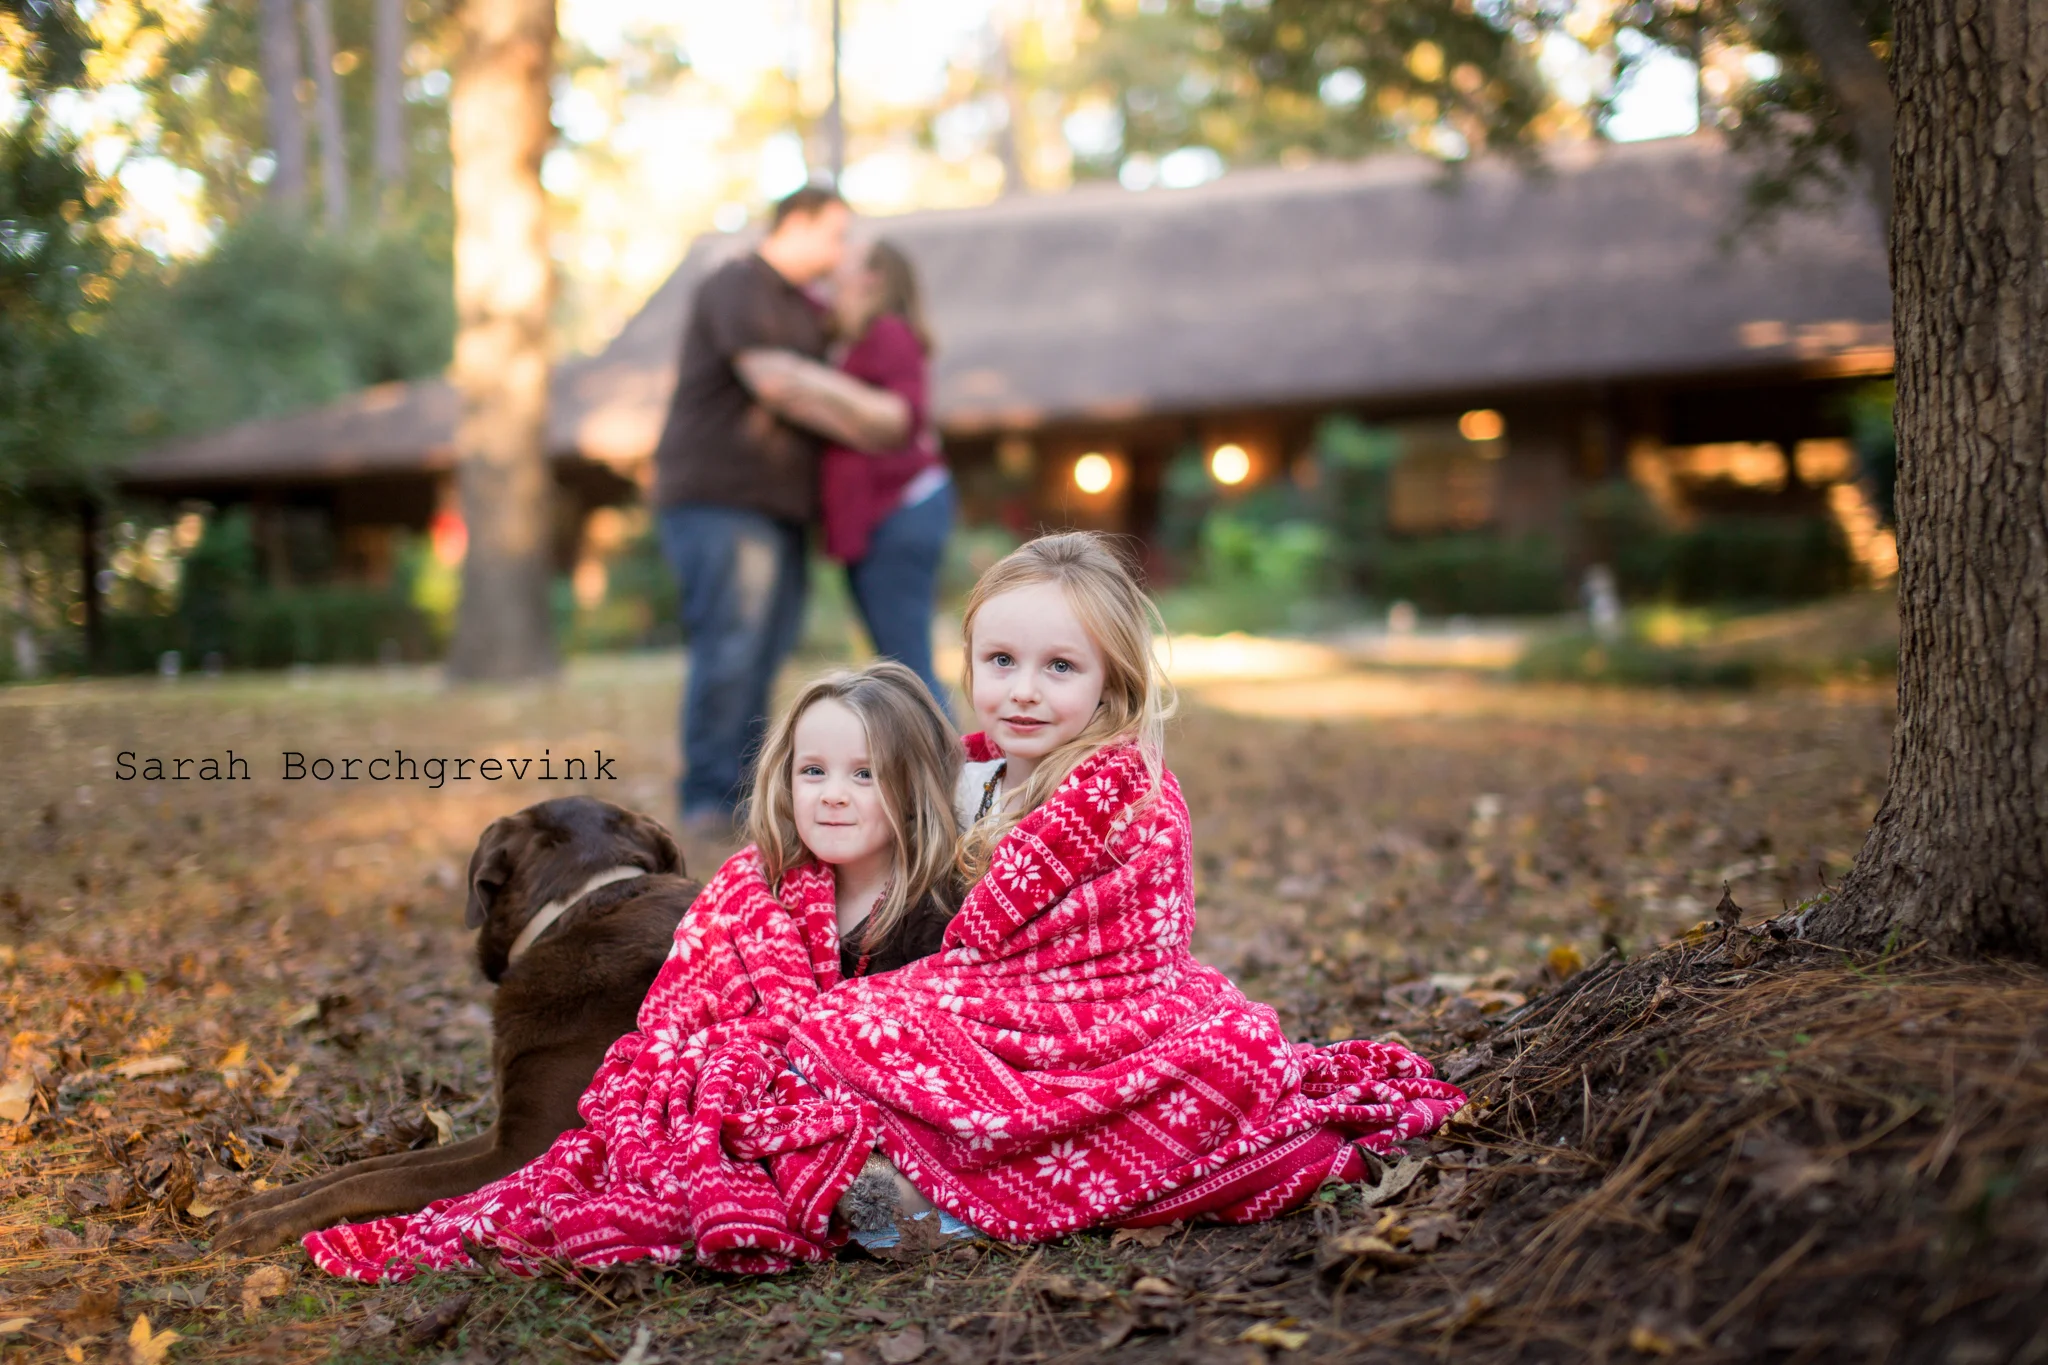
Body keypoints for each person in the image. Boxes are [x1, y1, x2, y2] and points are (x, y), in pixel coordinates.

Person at [789, 532, 1467, 1244]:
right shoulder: (959, 779)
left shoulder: (1126, 800)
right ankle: (917, 1168)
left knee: (841, 1029)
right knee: (830, 1026)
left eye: (1059, 666)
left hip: (1093, 1023)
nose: (1023, 689)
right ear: (969, 665)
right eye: (1000, 661)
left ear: (1109, 679)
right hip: (976, 1016)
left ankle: (952, 1202)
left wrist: (927, 1000)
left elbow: (1117, 951)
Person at [302, 660, 966, 1280]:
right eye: (813, 771)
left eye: (865, 774)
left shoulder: (938, 913)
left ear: (913, 789)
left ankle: (879, 1203)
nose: (833, 796)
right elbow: (681, 1018)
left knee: (867, 1190)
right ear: (784, 779)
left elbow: (931, 1050)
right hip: (730, 1107)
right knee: (618, 1154)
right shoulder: (753, 893)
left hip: (843, 1120)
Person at [652, 184, 848, 830]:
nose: (841, 251)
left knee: (767, 651)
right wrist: (873, 418)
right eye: (834, 234)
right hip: (718, 498)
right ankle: (706, 795)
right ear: (795, 224)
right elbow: (774, 382)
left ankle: (743, 792)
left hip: (782, 507)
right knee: (730, 647)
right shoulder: (736, 282)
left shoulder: (807, 307)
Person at [736, 239, 953, 708]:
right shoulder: (851, 335)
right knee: (897, 661)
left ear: (872, 278)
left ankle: (952, 776)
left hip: (899, 511)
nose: (834, 261)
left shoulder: (888, 332)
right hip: (881, 517)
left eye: (848, 258)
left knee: (906, 666)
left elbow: (906, 412)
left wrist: (809, 380)